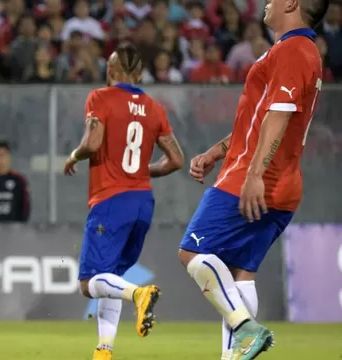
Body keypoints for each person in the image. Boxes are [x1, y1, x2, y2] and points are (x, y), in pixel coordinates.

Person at [177, 0, 329, 358]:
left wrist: (255, 173)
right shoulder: (298, 50)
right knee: (239, 272)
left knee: (192, 252)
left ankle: (247, 328)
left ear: (292, 3)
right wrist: (218, 150)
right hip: (283, 184)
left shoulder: (294, 49)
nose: (266, 2)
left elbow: (278, 116)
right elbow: (261, 119)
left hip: (253, 177)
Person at [63, 44, 185, 360]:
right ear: (140, 73)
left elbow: (92, 143)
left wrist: (73, 155)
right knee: (110, 277)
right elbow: (176, 160)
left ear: (111, 71)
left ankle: (139, 293)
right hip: (143, 203)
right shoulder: (155, 108)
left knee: (90, 283)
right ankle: (104, 350)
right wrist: (143, 172)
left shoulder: (100, 98)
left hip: (110, 201)